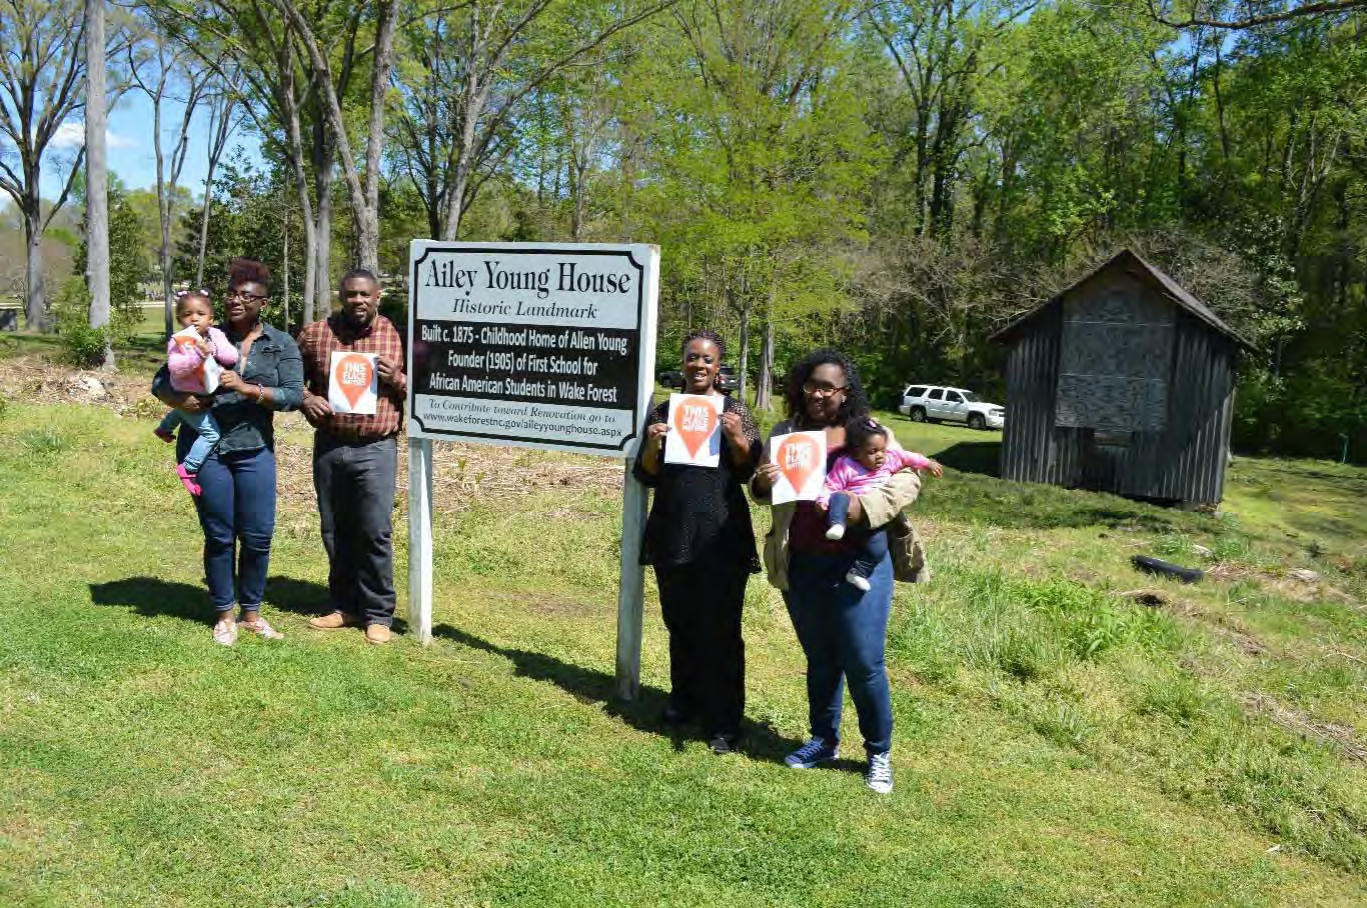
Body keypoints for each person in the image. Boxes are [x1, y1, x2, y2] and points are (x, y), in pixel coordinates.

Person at [751, 349, 922, 794]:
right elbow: (761, 492)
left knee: (863, 661)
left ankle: (878, 753)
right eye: (811, 384)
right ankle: (823, 740)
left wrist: (864, 508)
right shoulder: (786, 433)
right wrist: (764, 482)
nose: (818, 394)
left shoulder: (868, 431)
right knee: (821, 659)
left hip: (861, 564)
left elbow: (908, 481)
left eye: (828, 387)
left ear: (847, 392)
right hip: (804, 561)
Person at [152, 259, 303, 646]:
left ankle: (252, 613)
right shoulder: (204, 332)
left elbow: (293, 395)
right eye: (232, 295)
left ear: (263, 303)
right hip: (208, 450)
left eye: (246, 296)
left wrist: (251, 389)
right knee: (220, 535)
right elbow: (160, 382)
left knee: (258, 536)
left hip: (255, 450)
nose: (237, 301)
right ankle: (224, 615)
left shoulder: (281, 343)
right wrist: (181, 398)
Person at [634, 329, 762, 754]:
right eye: (692, 358)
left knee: (722, 629)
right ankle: (684, 700)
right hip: (674, 529)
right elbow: (646, 474)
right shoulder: (667, 409)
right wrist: (653, 445)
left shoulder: (735, 410)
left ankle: (724, 719)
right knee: (680, 621)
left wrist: (737, 438)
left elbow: (750, 472)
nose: (699, 365)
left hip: (721, 533)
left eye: (707, 360)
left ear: (718, 366)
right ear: (684, 362)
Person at [298, 269, 407, 646]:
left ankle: (378, 613)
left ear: (377, 296)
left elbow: (429, 389)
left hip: (376, 448)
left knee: (374, 530)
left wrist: (400, 379)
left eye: (364, 295)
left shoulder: (399, 334)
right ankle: (344, 605)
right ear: (340, 296)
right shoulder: (317, 334)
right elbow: (288, 377)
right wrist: (306, 398)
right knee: (335, 530)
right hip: (331, 446)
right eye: (350, 295)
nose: (357, 301)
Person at [816, 417, 941, 592]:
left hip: (874, 518)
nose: (880, 455)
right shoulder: (847, 464)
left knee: (879, 549)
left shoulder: (890, 459)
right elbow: (831, 485)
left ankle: (858, 572)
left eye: (882, 449)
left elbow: (908, 457)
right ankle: (837, 525)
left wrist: (927, 463)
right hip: (849, 512)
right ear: (856, 453)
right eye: (873, 451)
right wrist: (822, 501)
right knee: (839, 497)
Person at [154, 290, 239, 496]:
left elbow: (231, 357)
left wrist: (214, 348)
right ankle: (189, 468)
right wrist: (199, 355)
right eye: (187, 314)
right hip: (186, 391)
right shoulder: (180, 340)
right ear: (179, 319)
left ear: (211, 318)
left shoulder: (215, 334)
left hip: (204, 386)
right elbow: (176, 368)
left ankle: (164, 429)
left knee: (181, 413)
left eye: (200, 314)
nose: (194, 318)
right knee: (211, 434)